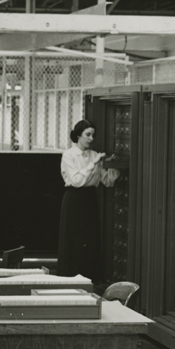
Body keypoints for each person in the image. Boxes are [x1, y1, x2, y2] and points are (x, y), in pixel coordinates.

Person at [57, 119, 120, 285]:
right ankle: (69, 280)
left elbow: (107, 182)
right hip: (74, 199)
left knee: (89, 239)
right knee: (73, 240)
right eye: (88, 134)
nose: (91, 138)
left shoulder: (95, 155)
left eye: (93, 135)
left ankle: (88, 280)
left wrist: (113, 165)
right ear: (78, 135)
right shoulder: (69, 155)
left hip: (90, 199)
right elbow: (76, 181)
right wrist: (92, 164)